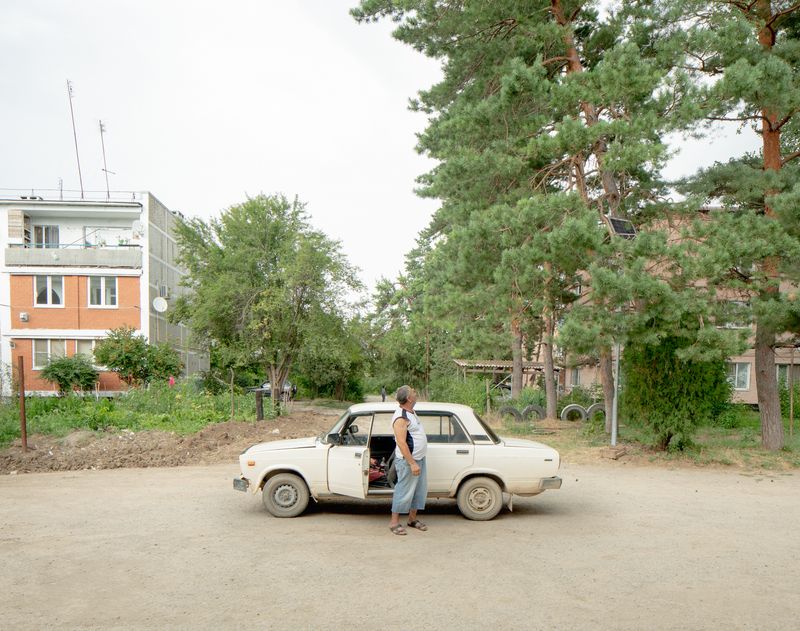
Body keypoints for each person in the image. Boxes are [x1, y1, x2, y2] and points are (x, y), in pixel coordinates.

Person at [388, 385, 428, 535]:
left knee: (419, 491)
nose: (416, 392)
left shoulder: (411, 412)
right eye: (413, 391)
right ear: (409, 398)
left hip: (419, 459)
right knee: (404, 490)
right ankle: (393, 523)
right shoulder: (401, 417)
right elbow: (401, 442)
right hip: (408, 462)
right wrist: (412, 463)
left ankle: (412, 520)